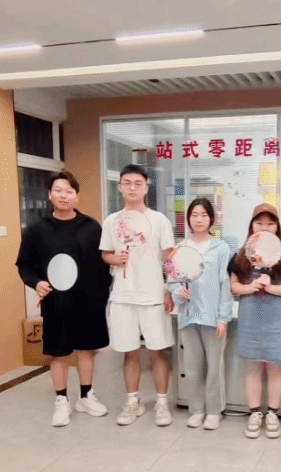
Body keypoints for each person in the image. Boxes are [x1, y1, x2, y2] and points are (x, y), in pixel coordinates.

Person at [16, 171, 112, 427]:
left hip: (88, 302)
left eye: (69, 191)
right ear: (50, 194)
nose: (64, 196)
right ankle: (61, 400)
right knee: (58, 353)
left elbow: (103, 265)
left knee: (85, 350)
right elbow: (24, 264)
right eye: (58, 190)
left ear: (76, 196)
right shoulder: (37, 230)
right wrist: (36, 283)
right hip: (56, 303)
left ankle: (86, 396)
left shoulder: (91, 227)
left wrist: (103, 295)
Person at [99, 164, 176, 427]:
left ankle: (162, 403)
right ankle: (133, 401)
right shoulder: (112, 221)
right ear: (120, 187)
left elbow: (170, 258)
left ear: (146, 187)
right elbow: (105, 254)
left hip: (153, 296)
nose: (132, 188)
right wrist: (115, 258)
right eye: (127, 183)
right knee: (129, 352)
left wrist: (170, 289)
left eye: (138, 183)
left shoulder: (159, 220)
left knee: (157, 352)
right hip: (122, 297)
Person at [229, 203, 281, 439]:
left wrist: (271, 288)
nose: (264, 227)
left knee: (275, 367)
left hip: (278, 318)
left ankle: (273, 414)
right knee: (254, 366)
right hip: (251, 316)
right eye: (259, 222)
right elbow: (234, 285)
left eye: (270, 223)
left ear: (277, 227)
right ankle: (254, 413)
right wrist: (249, 287)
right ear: (252, 225)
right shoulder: (241, 255)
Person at [168, 198, 233, 430]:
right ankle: (196, 409)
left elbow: (225, 284)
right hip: (188, 315)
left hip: (212, 316)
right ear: (188, 219)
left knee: (214, 366)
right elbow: (171, 281)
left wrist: (223, 317)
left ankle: (214, 411)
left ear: (211, 219)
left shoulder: (221, 248)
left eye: (204, 215)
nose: (199, 219)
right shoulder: (180, 248)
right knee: (192, 366)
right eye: (194, 215)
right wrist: (178, 291)